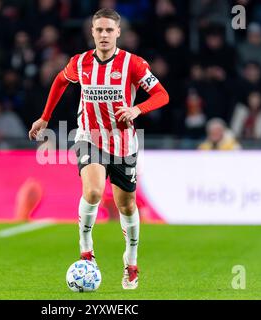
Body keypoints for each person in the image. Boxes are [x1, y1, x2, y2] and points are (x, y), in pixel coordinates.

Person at [28, 8, 169, 290]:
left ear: (118, 33)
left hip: (124, 143)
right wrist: (45, 117)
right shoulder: (79, 63)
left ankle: (131, 262)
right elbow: (59, 82)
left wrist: (137, 109)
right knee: (92, 192)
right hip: (88, 137)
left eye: (109, 30)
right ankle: (86, 250)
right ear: (92, 32)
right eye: (99, 30)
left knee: (126, 205)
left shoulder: (133, 64)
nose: (104, 35)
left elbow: (162, 95)